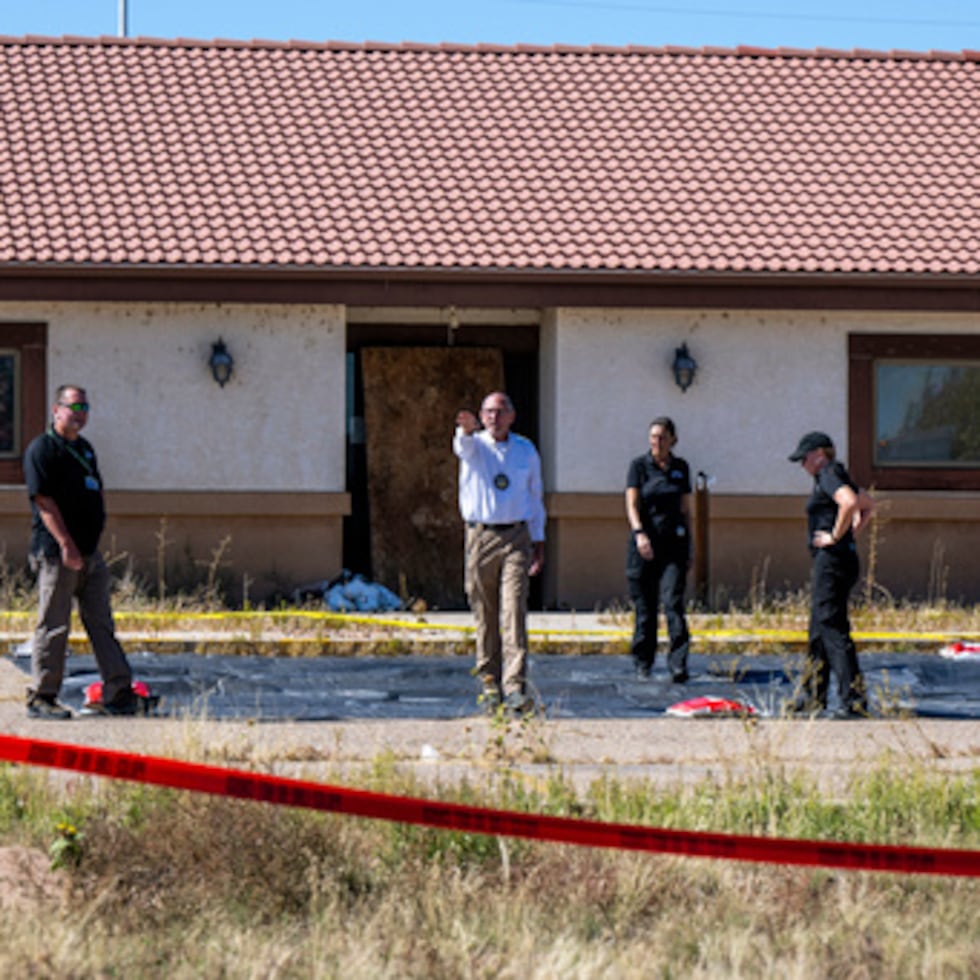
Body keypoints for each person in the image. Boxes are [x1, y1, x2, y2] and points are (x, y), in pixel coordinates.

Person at [23, 385, 138, 718]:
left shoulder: (85, 449)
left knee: (101, 622)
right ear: (56, 409)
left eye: (85, 407)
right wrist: (66, 545)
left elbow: (96, 488)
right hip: (58, 552)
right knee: (54, 624)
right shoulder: (42, 450)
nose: (80, 413)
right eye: (74, 406)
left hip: (89, 553)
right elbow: (43, 501)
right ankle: (43, 697)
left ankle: (118, 692)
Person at [453, 391, 546, 715]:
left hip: (516, 537)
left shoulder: (525, 450)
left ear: (511, 416)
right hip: (481, 536)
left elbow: (535, 496)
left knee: (514, 609)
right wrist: (465, 430)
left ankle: (515, 686)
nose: (494, 417)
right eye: (488, 412)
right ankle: (490, 682)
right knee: (485, 612)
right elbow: (462, 447)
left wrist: (538, 539)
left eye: (500, 411)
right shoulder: (475, 446)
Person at [788, 431, 875, 719]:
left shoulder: (828, 474)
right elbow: (868, 505)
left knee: (832, 628)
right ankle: (814, 694)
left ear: (819, 455)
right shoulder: (837, 475)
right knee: (819, 629)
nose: (803, 465)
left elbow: (849, 503)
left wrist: (835, 538)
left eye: (804, 459)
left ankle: (854, 698)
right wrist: (850, 535)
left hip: (833, 563)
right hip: (841, 560)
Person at [625, 417, 692, 683]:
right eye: (653, 437)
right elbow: (631, 504)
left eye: (662, 437)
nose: (657, 442)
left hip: (673, 545)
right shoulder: (639, 467)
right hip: (644, 545)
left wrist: (690, 546)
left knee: (673, 602)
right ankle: (643, 661)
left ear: (673, 439)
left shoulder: (680, 468)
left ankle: (678, 663)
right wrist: (639, 534)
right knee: (646, 607)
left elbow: (686, 509)